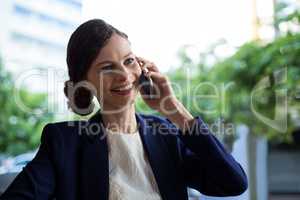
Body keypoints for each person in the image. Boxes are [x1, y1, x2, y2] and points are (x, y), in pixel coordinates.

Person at [0, 19, 247, 200]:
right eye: (107, 67)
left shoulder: (166, 133)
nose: (124, 75)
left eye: (129, 61)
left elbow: (233, 183)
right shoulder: (64, 142)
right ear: (84, 83)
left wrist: (174, 109)